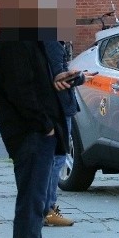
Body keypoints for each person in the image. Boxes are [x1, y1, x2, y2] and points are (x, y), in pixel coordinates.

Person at [0, 0, 78, 238]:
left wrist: (63, 80)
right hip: (31, 134)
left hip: (38, 132)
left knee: (36, 204)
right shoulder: (16, 39)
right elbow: (21, 91)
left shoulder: (31, 36)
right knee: (31, 205)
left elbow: (39, 83)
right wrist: (44, 126)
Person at [43, 40, 84, 227]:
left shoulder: (51, 40)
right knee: (58, 157)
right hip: (59, 106)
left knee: (55, 157)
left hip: (57, 105)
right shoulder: (52, 42)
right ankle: (48, 209)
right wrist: (81, 77)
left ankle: (46, 207)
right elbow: (59, 77)